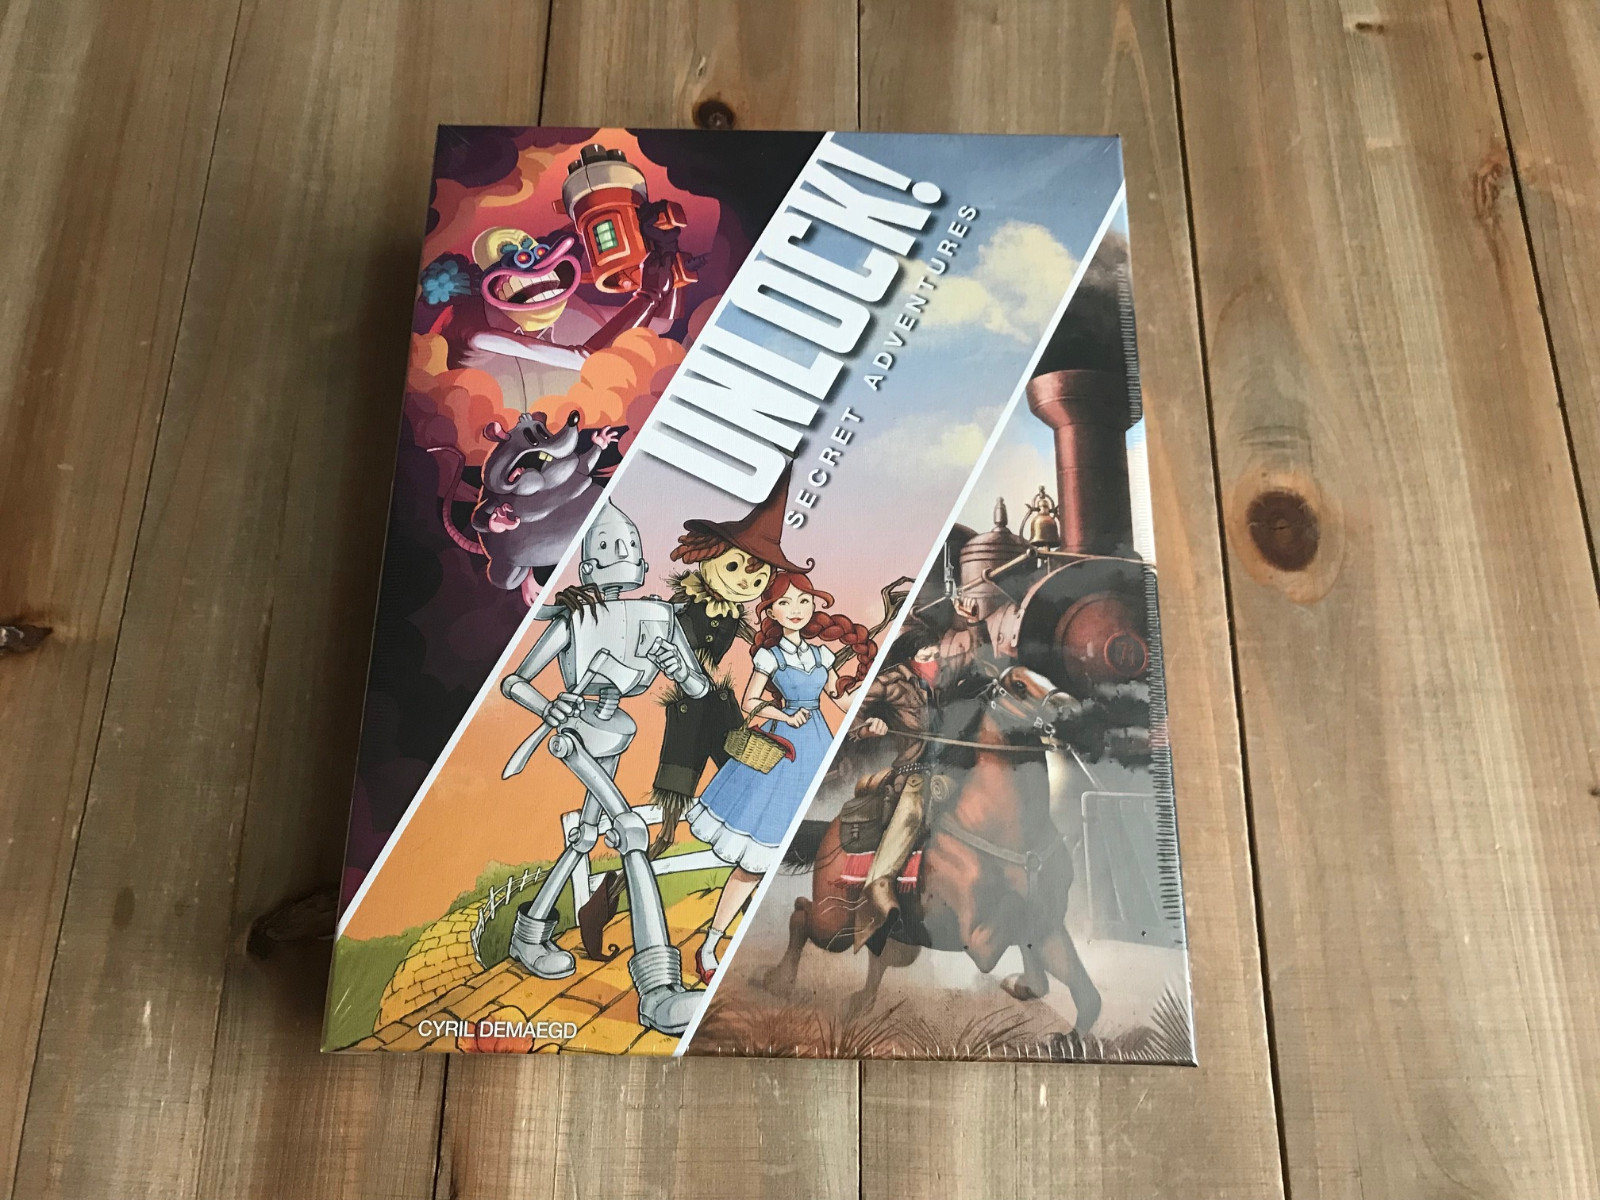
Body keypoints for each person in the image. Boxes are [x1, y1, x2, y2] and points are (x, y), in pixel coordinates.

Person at [688, 571, 877, 981]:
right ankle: (710, 946)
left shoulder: (821, 655)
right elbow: (750, 701)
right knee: (756, 862)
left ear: (814, 606)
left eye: (803, 601)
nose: (796, 609)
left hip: (818, 748)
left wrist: (868, 717)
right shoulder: (770, 657)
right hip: (782, 756)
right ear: (771, 610)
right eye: (785, 603)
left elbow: (841, 701)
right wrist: (785, 715)